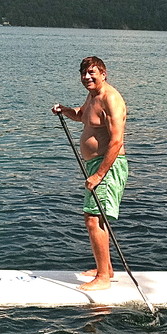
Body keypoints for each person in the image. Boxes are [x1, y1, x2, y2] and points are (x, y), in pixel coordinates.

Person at [52, 56, 128, 291]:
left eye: (92, 73)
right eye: (83, 73)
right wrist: (65, 110)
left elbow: (116, 141)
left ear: (104, 73)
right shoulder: (93, 96)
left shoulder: (110, 98)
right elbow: (82, 116)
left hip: (108, 166)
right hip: (95, 166)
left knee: (93, 218)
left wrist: (99, 175)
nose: (87, 77)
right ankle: (105, 268)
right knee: (96, 217)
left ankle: (103, 277)